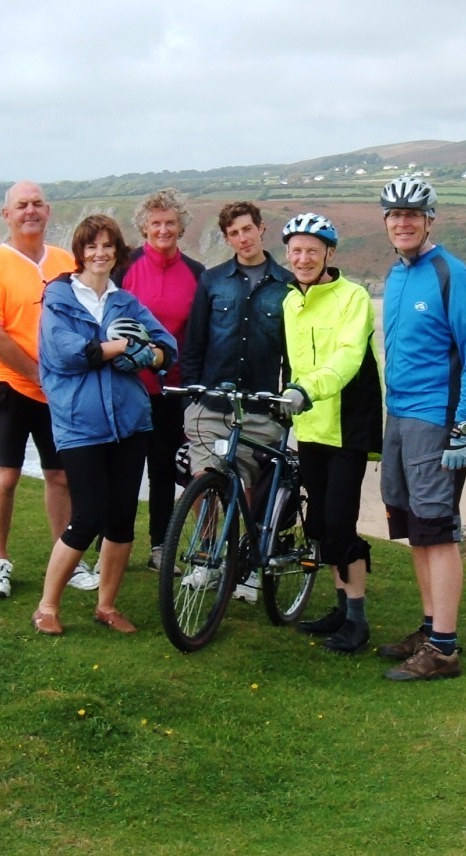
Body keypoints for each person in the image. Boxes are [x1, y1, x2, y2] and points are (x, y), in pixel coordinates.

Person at [31, 214, 177, 635]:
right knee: (88, 516)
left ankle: (107, 605)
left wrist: (151, 356)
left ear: (118, 253)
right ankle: (47, 605)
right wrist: (122, 346)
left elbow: (167, 345)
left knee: (122, 519)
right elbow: (66, 354)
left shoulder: (126, 302)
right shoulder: (58, 298)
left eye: (107, 246)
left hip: (131, 423)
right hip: (80, 425)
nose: (100, 253)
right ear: (79, 252)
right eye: (91, 246)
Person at [376, 177, 466, 681]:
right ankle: (429, 629)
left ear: (429, 220)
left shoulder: (451, 273)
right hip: (398, 415)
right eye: (394, 215)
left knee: (438, 531)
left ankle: (444, 650)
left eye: (412, 215)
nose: (402, 222)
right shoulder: (397, 274)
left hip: (434, 420)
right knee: (416, 530)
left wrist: (464, 426)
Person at [0, 181, 99, 598]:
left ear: (49, 212)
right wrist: (40, 373)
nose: (30, 211)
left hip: (59, 393)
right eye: (21, 205)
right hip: (8, 384)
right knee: (5, 476)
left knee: (60, 476)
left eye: (38, 204)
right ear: (7, 215)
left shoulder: (65, 261)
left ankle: (69, 557)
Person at [277, 213, 384, 653]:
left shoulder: (353, 297)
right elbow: (290, 362)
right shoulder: (289, 302)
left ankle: (357, 621)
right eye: (296, 251)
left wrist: (305, 389)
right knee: (319, 525)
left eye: (312, 251)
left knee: (340, 523)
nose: (303, 259)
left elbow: (346, 357)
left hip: (347, 425)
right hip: (309, 425)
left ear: (329, 254)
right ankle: (341, 609)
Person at [182, 200, 293, 603]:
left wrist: (291, 397)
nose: (242, 238)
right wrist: (191, 395)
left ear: (261, 229)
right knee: (205, 481)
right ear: (227, 238)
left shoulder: (286, 283)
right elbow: (194, 343)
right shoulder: (212, 281)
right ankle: (206, 560)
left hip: (261, 407)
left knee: (247, 489)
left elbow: (293, 350)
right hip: (211, 405)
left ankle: (244, 563)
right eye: (233, 233)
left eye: (248, 229)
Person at [120, 189, 205, 571]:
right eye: (155, 223)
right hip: (128, 387)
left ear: (181, 226)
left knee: (161, 472)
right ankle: (112, 546)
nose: (163, 229)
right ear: (143, 227)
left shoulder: (197, 273)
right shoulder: (126, 267)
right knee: (122, 470)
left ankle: (159, 548)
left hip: (174, 390)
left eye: (170, 222)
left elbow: (201, 336)